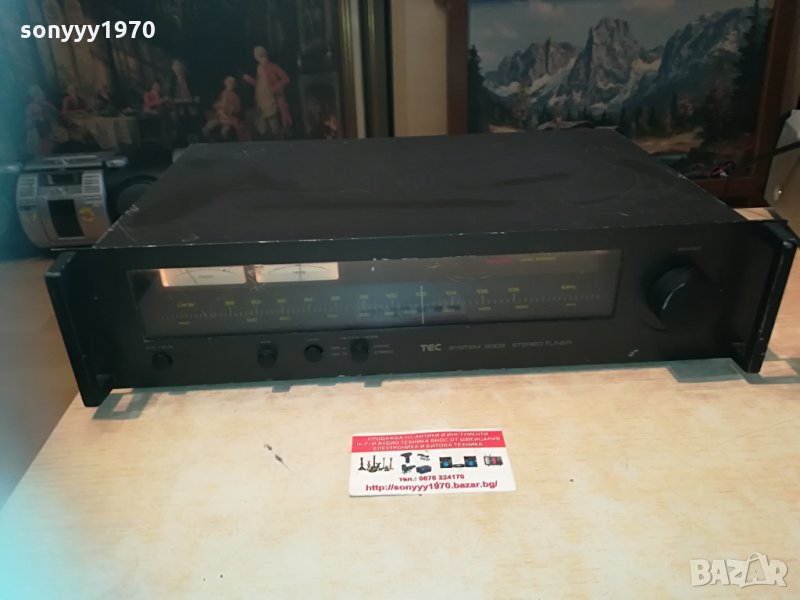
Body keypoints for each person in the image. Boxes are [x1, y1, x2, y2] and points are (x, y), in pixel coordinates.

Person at [242, 46, 291, 138]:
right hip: (261, 102)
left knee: (274, 126)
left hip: (270, 101)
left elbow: (286, 79)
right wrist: (249, 80)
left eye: (256, 55)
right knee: (262, 128)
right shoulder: (259, 68)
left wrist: (275, 88)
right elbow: (260, 85)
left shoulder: (272, 67)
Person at [203, 76, 242, 141]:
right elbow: (217, 104)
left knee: (224, 132)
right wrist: (219, 106)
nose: (230, 85)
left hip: (229, 119)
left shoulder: (235, 96)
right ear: (225, 83)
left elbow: (237, 109)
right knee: (206, 128)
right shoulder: (223, 93)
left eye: (232, 83)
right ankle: (209, 142)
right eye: (229, 82)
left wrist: (230, 109)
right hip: (220, 117)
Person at [25, 85, 60, 156]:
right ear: (34, 95)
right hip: (40, 132)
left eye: (42, 93)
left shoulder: (47, 104)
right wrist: (37, 119)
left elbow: (56, 114)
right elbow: (28, 123)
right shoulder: (31, 107)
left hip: (51, 130)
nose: (43, 94)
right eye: (40, 93)